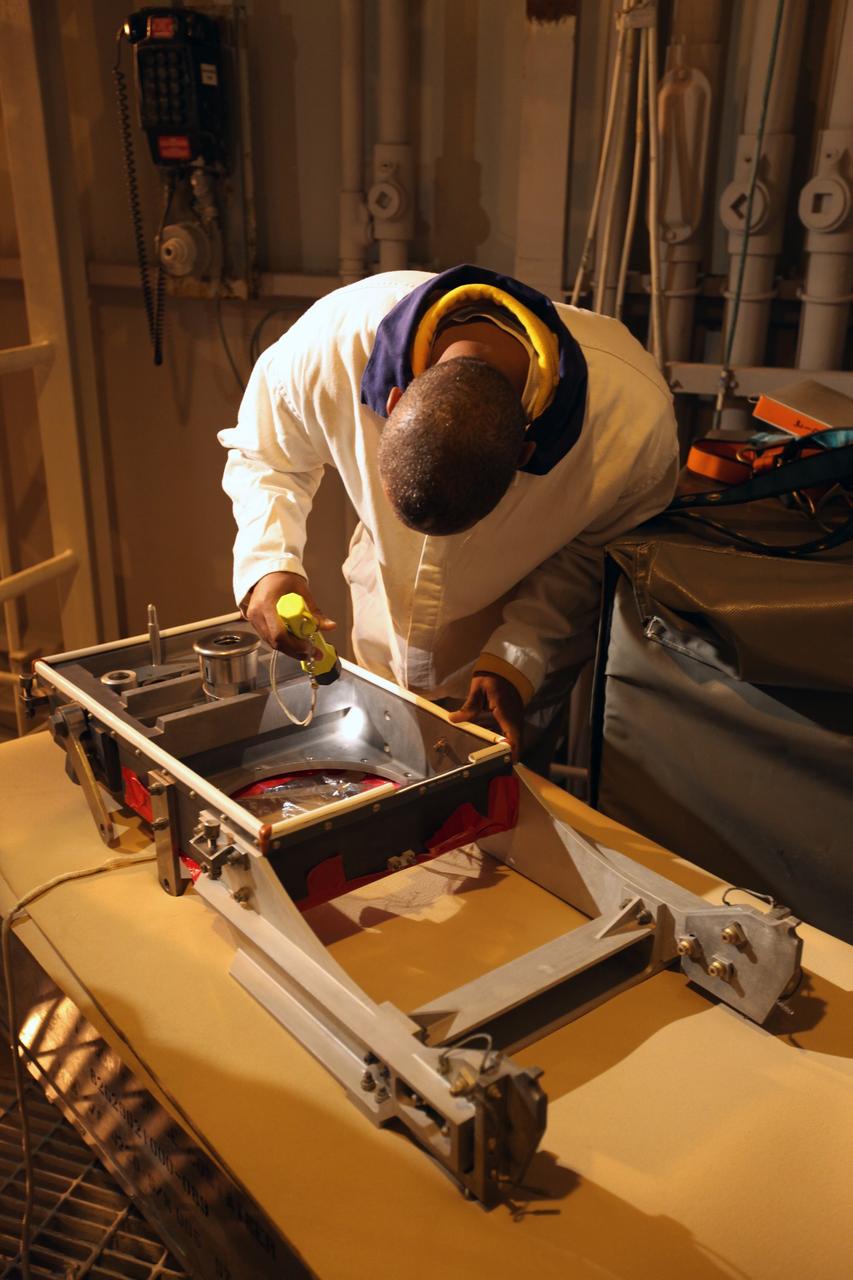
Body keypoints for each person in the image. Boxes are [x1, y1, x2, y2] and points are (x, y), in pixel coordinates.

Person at [218, 264, 678, 768]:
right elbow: (267, 454)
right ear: (392, 405)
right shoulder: (333, 344)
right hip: (380, 626)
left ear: (525, 455)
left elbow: (591, 554)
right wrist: (268, 563)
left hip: (518, 646)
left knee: (505, 805)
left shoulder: (633, 425)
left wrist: (517, 657)